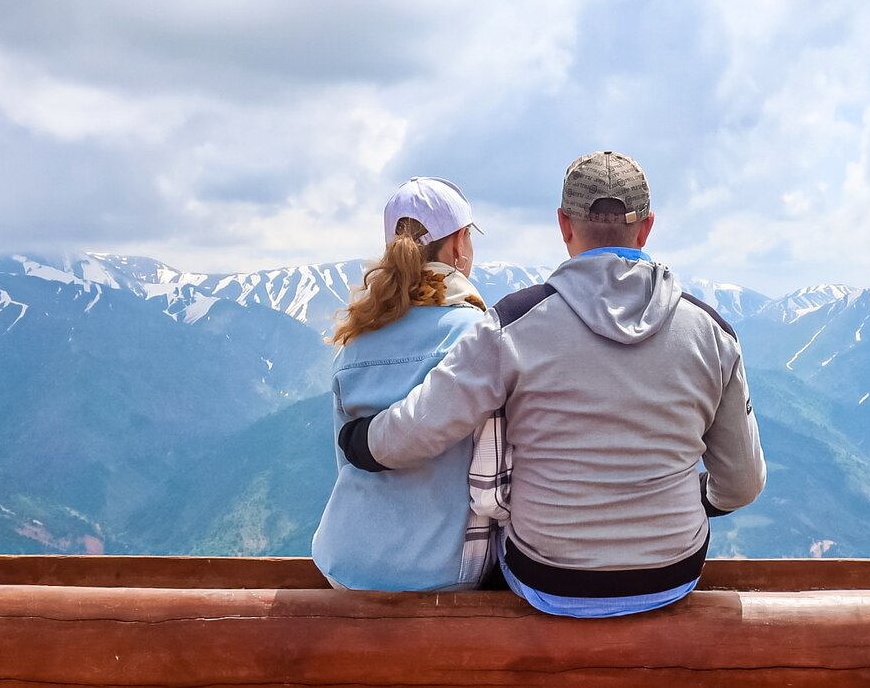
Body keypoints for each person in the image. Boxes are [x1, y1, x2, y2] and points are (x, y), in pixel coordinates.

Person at [339, 151, 766, 617]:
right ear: (646, 229)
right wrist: (696, 498)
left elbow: (423, 425)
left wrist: (362, 442)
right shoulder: (711, 333)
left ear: (564, 226)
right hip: (672, 573)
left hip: (548, 577)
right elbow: (742, 484)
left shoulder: (512, 325)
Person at [311, 176, 504, 592]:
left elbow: (346, 460)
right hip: (442, 572)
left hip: (344, 563)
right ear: (458, 245)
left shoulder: (356, 338)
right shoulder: (479, 336)